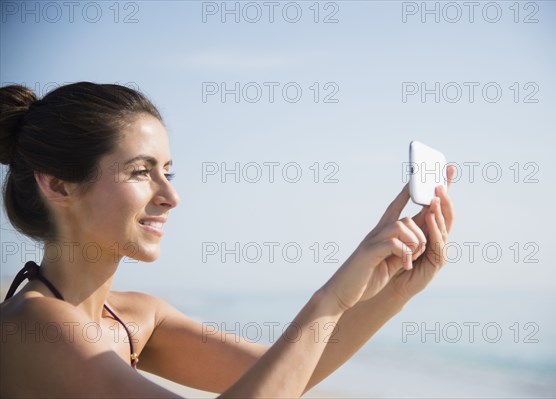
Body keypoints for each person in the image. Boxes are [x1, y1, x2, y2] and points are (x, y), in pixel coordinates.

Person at [0, 82, 455, 398]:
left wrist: (394, 291)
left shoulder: (138, 316)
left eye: (168, 171)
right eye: (141, 171)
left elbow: (294, 372)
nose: (171, 196)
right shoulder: (36, 326)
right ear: (58, 185)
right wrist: (331, 298)